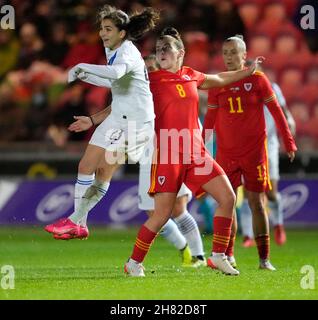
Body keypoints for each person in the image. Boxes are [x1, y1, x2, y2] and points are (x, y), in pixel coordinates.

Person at [124, 27, 263, 277]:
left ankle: (218, 255)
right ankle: (133, 262)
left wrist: (247, 71)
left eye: (167, 48)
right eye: (158, 49)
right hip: (168, 155)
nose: (161, 52)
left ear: (181, 53)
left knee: (228, 198)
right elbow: (121, 103)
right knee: (161, 215)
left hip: (196, 154)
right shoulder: (150, 81)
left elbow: (219, 79)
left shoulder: (191, 75)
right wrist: (93, 120)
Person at [44, 4, 160, 239]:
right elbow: (118, 84)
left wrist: (81, 67)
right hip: (118, 117)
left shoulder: (127, 51)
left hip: (136, 126)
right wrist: (88, 80)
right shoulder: (113, 49)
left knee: (102, 172)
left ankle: (75, 221)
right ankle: (80, 224)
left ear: (122, 32)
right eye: (101, 28)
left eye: (108, 29)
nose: (103, 33)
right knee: (88, 168)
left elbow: (116, 74)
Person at [202, 35, 297, 271]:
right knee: (227, 202)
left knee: (257, 202)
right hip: (226, 154)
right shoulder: (218, 82)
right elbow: (211, 118)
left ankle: (264, 259)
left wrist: (288, 141)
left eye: (234, 52)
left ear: (245, 55)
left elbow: (277, 112)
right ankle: (229, 255)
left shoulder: (258, 79)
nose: (229, 57)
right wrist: (201, 145)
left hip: (254, 153)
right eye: (225, 53)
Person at [140, 54, 206, 268]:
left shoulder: (174, 91)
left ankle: (199, 255)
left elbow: (193, 121)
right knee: (153, 213)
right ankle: (184, 248)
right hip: (149, 157)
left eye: (152, 68)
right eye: (146, 69)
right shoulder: (141, 95)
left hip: (174, 154)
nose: (149, 73)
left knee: (178, 208)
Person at [240, 67, 296, 247]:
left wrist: (289, 130)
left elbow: (284, 112)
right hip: (248, 145)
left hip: (269, 144)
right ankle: (248, 235)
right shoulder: (238, 89)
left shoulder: (272, 87)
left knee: (271, 193)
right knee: (250, 193)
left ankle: (278, 225)